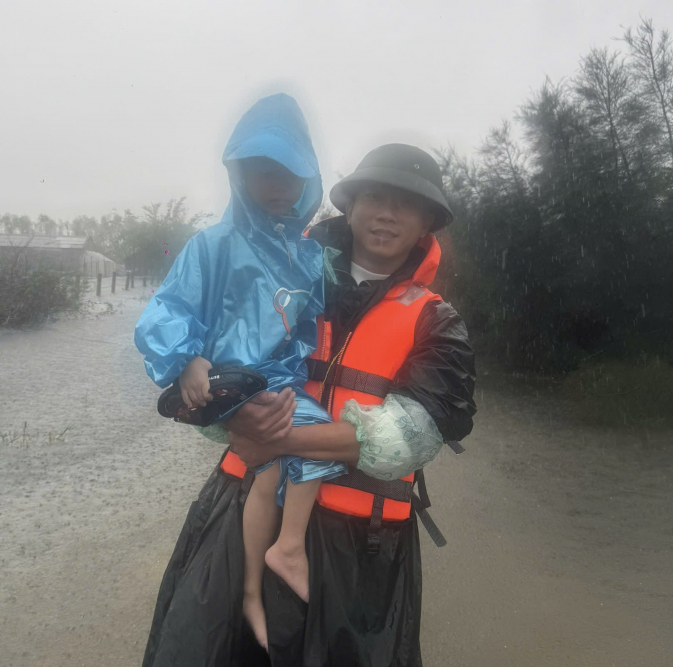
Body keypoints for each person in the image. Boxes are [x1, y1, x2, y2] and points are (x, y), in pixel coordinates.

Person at [141, 143, 476, 667]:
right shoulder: (277, 270)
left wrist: (275, 435)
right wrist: (222, 406)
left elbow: (409, 435)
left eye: (405, 205)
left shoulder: (438, 322)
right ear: (351, 205)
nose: (386, 214)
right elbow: (205, 364)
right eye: (374, 197)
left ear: (427, 221)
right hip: (244, 509)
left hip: (362, 548)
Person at [134, 93, 347, 650]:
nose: (275, 187)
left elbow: (308, 326)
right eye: (261, 173)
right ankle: (286, 550)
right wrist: (186, 359)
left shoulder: (306, 256)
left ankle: (256, 584)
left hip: (278, 380)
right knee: (303, 441)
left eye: (287, 175)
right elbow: (165, 310)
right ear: (240, 177)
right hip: (230, 380)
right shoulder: (213, 244)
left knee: (279, 462)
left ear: (307, 179)